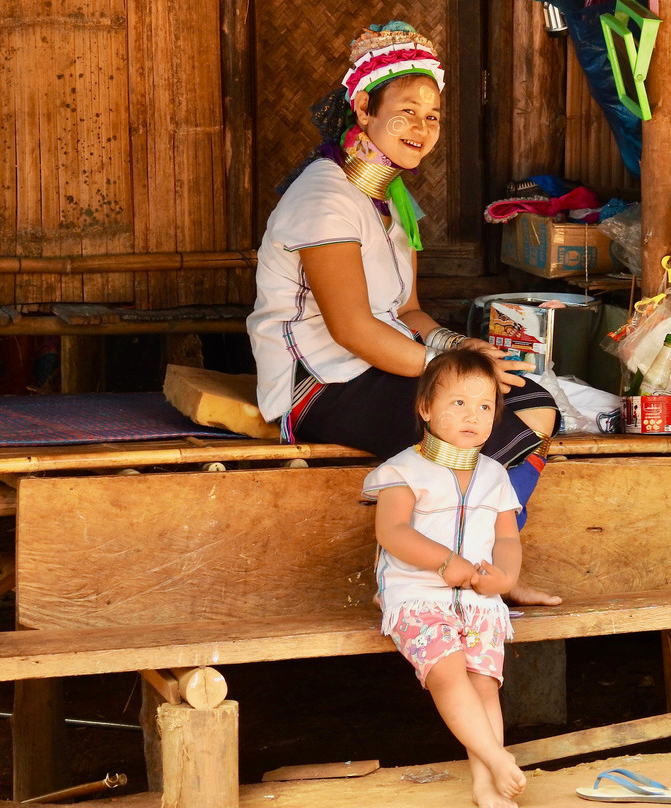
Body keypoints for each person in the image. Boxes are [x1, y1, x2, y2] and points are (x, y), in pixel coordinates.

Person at [246, 22, 561, 605]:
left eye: (434, 115)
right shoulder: (323, 198)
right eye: (407, 110)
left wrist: (458, 351)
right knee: (484, 425)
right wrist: (452, 373)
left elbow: (408, 310)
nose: (422, 127)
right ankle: (453, 575)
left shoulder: (393, 201)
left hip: (378, 366)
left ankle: (481, 569)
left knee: (533, 406)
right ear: (363, 107)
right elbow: (353, 329)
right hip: (319, 383)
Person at [362, 348, 527, 808]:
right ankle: (497, 759)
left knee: (483, 682)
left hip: (477, 600)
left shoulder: (495, 475)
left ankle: (486, 784)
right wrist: (442, 562)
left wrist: (505, 578)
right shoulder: (403, 470)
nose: (472, 415)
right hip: (416, 596)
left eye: (485, 406)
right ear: (425, 408)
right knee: (449, 672)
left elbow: (507, 539)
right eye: (458, 403)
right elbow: (391, 531)